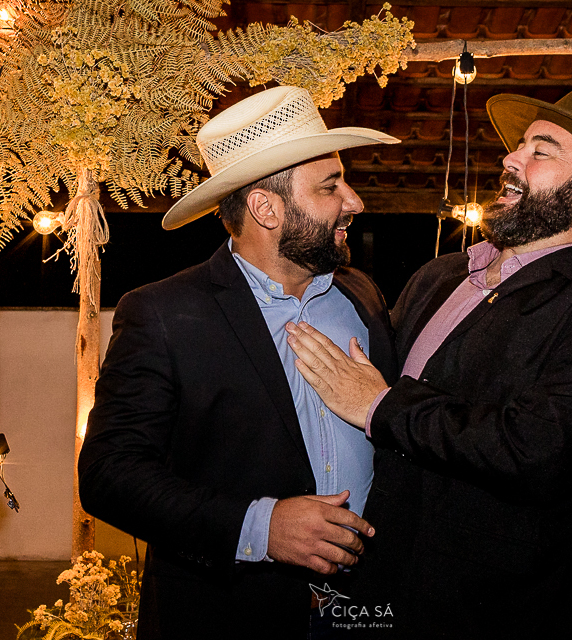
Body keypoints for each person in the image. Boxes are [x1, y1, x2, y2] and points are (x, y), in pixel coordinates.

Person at [285, 85, 572, 638]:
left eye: (540, 151)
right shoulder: (440, 276)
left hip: (498, 611)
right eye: (518, 145)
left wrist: (381, 406)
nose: (510, 158)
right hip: (380, 592)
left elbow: (537, 449)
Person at [77, 85, 399, 638]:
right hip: (229, 616)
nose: (355, 201)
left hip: (365, 612)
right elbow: (110, 475)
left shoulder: (361, 295)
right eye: (331, 186)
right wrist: (261, 527)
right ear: (266, 208)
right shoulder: (163, 314)